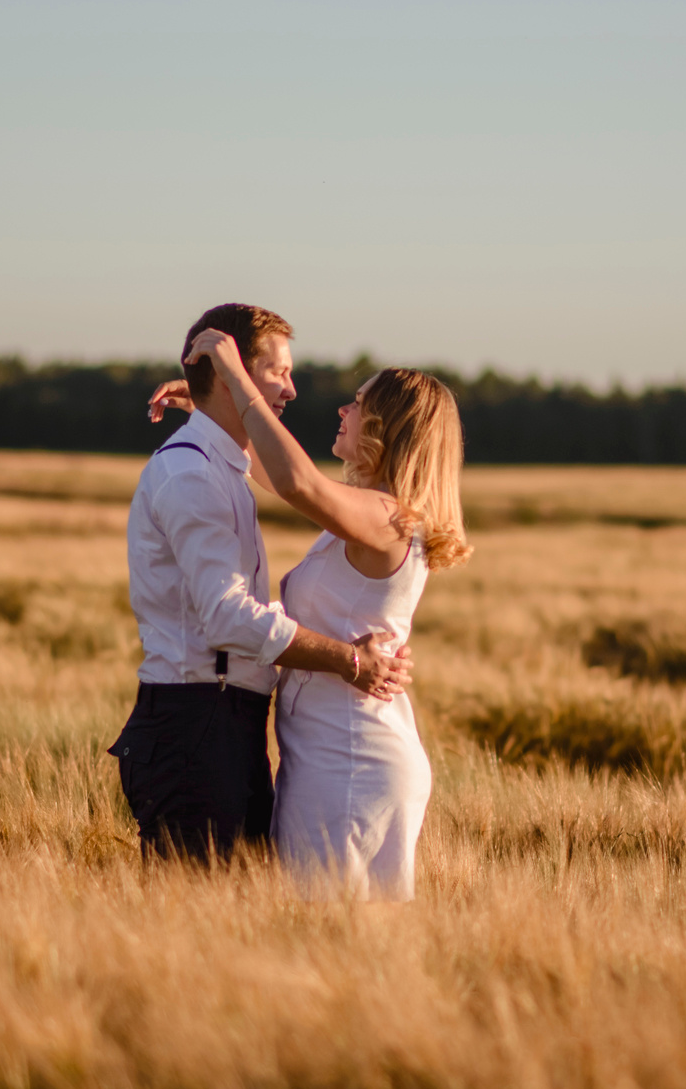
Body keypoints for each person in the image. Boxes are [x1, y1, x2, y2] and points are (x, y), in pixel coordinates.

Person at [153, 331, 471, 901]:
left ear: (387, 428)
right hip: (336, 755)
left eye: (360, 403)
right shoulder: (373, 516)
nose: (344, 410)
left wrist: (236, 378)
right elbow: (275, 472)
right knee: (334, 935)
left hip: (349, 763)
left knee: (326, 932)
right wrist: (210, 411)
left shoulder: (388, 519)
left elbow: (297, 482)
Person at [113, 303, 412, 864]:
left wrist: (214, 403)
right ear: (233, 375)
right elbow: (228, 617)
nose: (291, 390)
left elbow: (289, 477)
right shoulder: (193, 473)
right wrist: (349, 659)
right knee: (195, 912)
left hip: (226, 725)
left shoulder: (221, 466)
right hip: (197, 724)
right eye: (278, 372)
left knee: (234, 912)